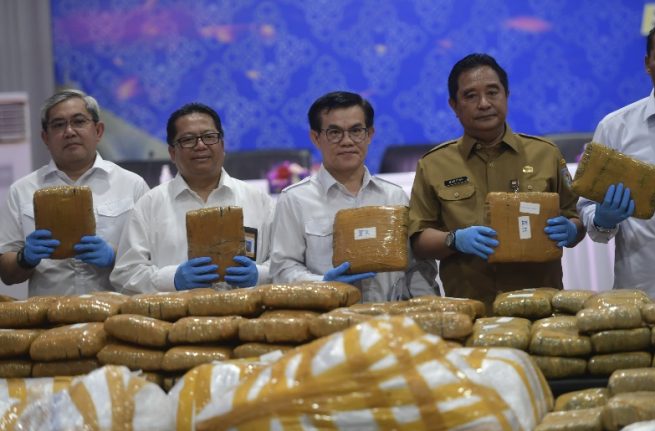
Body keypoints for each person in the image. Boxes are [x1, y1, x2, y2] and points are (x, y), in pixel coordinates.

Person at [408, 53, 585, 309]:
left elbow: (577, 216)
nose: (484, 103)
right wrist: (454, 240)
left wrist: (572, 229)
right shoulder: (434, 164)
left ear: (506, 95)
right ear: (454, 105)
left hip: (541, 307)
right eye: (470, 96)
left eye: (492, 92)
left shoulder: (546, 154)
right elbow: (418, 240)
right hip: (471, 309)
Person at [270, 91, 437, 302]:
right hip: (329, 315)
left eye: (356, 131)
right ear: (316, 138)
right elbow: (282, 269)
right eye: (334, 132)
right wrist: (323, 284)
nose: (347, 141)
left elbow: (418, 268)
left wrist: (426, 309)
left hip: (390, 317)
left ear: (370, 134)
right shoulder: (295, 199)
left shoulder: (394, 196)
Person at [577, 20, 655, 297]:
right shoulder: (615, 127)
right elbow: (587, 207)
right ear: (647, 64)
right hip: (640, 296)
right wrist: (603, 219)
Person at [110, 102, 273, 294]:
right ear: (172, 152)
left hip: (245, 312)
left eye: (209, 137)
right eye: (188, 139)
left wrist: (260, 275)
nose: (201, 145)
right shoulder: (150, 204)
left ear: (222, 145)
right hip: (175, 313)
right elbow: (124, 275)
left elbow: (284, 264)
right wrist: (172, 279)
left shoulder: (259, 200)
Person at [0, 89, 149, 297]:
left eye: (79, 121)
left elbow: (153, 259)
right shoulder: (22, 190)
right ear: (45, 138)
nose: (69, 131)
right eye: (58, 125)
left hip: (117, 312)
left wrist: (115, 257)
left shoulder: (132, 185)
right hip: (49, 313)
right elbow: (6, 274)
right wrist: (24, 258)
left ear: (98, 131)